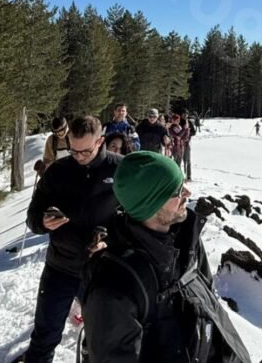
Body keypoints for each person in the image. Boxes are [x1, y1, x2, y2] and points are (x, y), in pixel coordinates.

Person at [82, 152, 252, 363]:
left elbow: (210, 313)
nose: (188, 193)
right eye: (177, 191)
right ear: (152, 203)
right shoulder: (115, 285)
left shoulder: (187, 242)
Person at [24, 115, 120, 363]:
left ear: (100, 141)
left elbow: (134, 219)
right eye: (73, 151)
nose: (78, 157)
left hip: (103, 268)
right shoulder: (58, 171)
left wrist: (111, 239)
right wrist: (43, 222)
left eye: (85, 151)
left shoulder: (120, 169)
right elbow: (33, 216)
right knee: (44, 336)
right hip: (60, 267)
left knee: (102, 339)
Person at [169, 113, 192, 179]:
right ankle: (175, 177)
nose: (178, 121)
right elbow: (178, 135)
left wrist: (187, 129)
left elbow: (184, 137)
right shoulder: (172, 127)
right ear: (173, 120)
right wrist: (184, 129)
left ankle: (179, 176)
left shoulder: (179, 126)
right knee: (176, 162)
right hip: (175, 147)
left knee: (179, 162)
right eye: (176, 120)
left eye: (178, 120)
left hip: (181, 146)